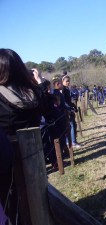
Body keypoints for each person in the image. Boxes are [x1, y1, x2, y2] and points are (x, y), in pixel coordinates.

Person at [0, 48, 50, 224]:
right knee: (38, 197)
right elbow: (47, 110)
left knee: (12, 205)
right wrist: (40, 82)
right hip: (34, 154)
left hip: (7, 161)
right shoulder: (34, 92)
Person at [61, 72, 81, 148]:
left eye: (69, 81)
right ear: (62, 81)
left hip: (69, 109)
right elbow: (64, 102)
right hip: (66, 111)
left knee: (73, 125)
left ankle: (70, 141)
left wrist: (74, 107)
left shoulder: (67, 89)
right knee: (72, 125)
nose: (68, 82)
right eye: (66, 81)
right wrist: (70, 109)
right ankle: (73, 142)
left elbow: (69, 101)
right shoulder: (63, 90)